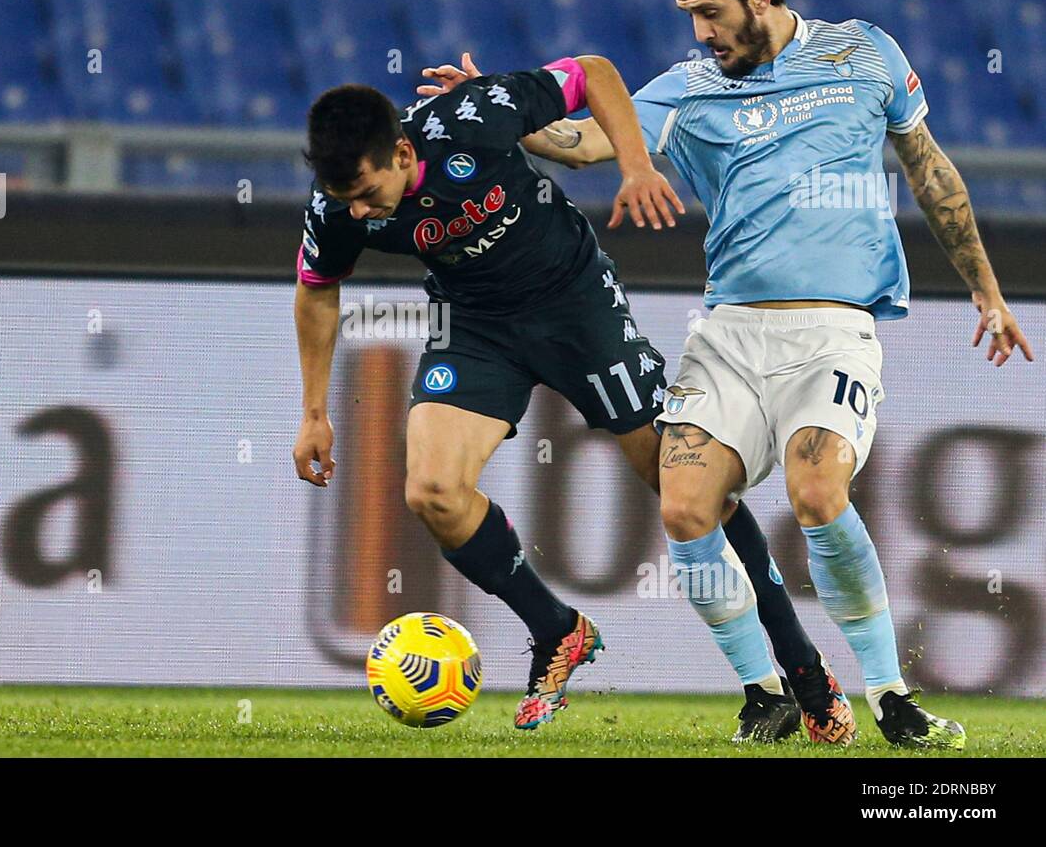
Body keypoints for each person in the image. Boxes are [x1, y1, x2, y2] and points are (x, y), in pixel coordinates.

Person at [429, 0, 1033, 747]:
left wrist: (988, 293)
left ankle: (893, 698)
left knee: (818, 493)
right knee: (683, 510)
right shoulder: (686, 90)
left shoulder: (866, 54)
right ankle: (765, 691)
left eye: (710, 13)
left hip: (833, 333)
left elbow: (930, 171)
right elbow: (582, 142)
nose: (701, 32)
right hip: (730, 333)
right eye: (688, 17)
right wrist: (492, 112)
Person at [294, 49, 833, 737]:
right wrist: (313, 412)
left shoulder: (472, 117)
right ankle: (558, 629)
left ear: (402, 151)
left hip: (575, 305)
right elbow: (316, 291)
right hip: (476, 326)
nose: (363, 211)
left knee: (684, 486)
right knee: (432, 490)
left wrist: (637, 166)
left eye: (370, 192)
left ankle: (797, 666)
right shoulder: (335, 207)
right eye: (349, 202)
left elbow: (595, 71)